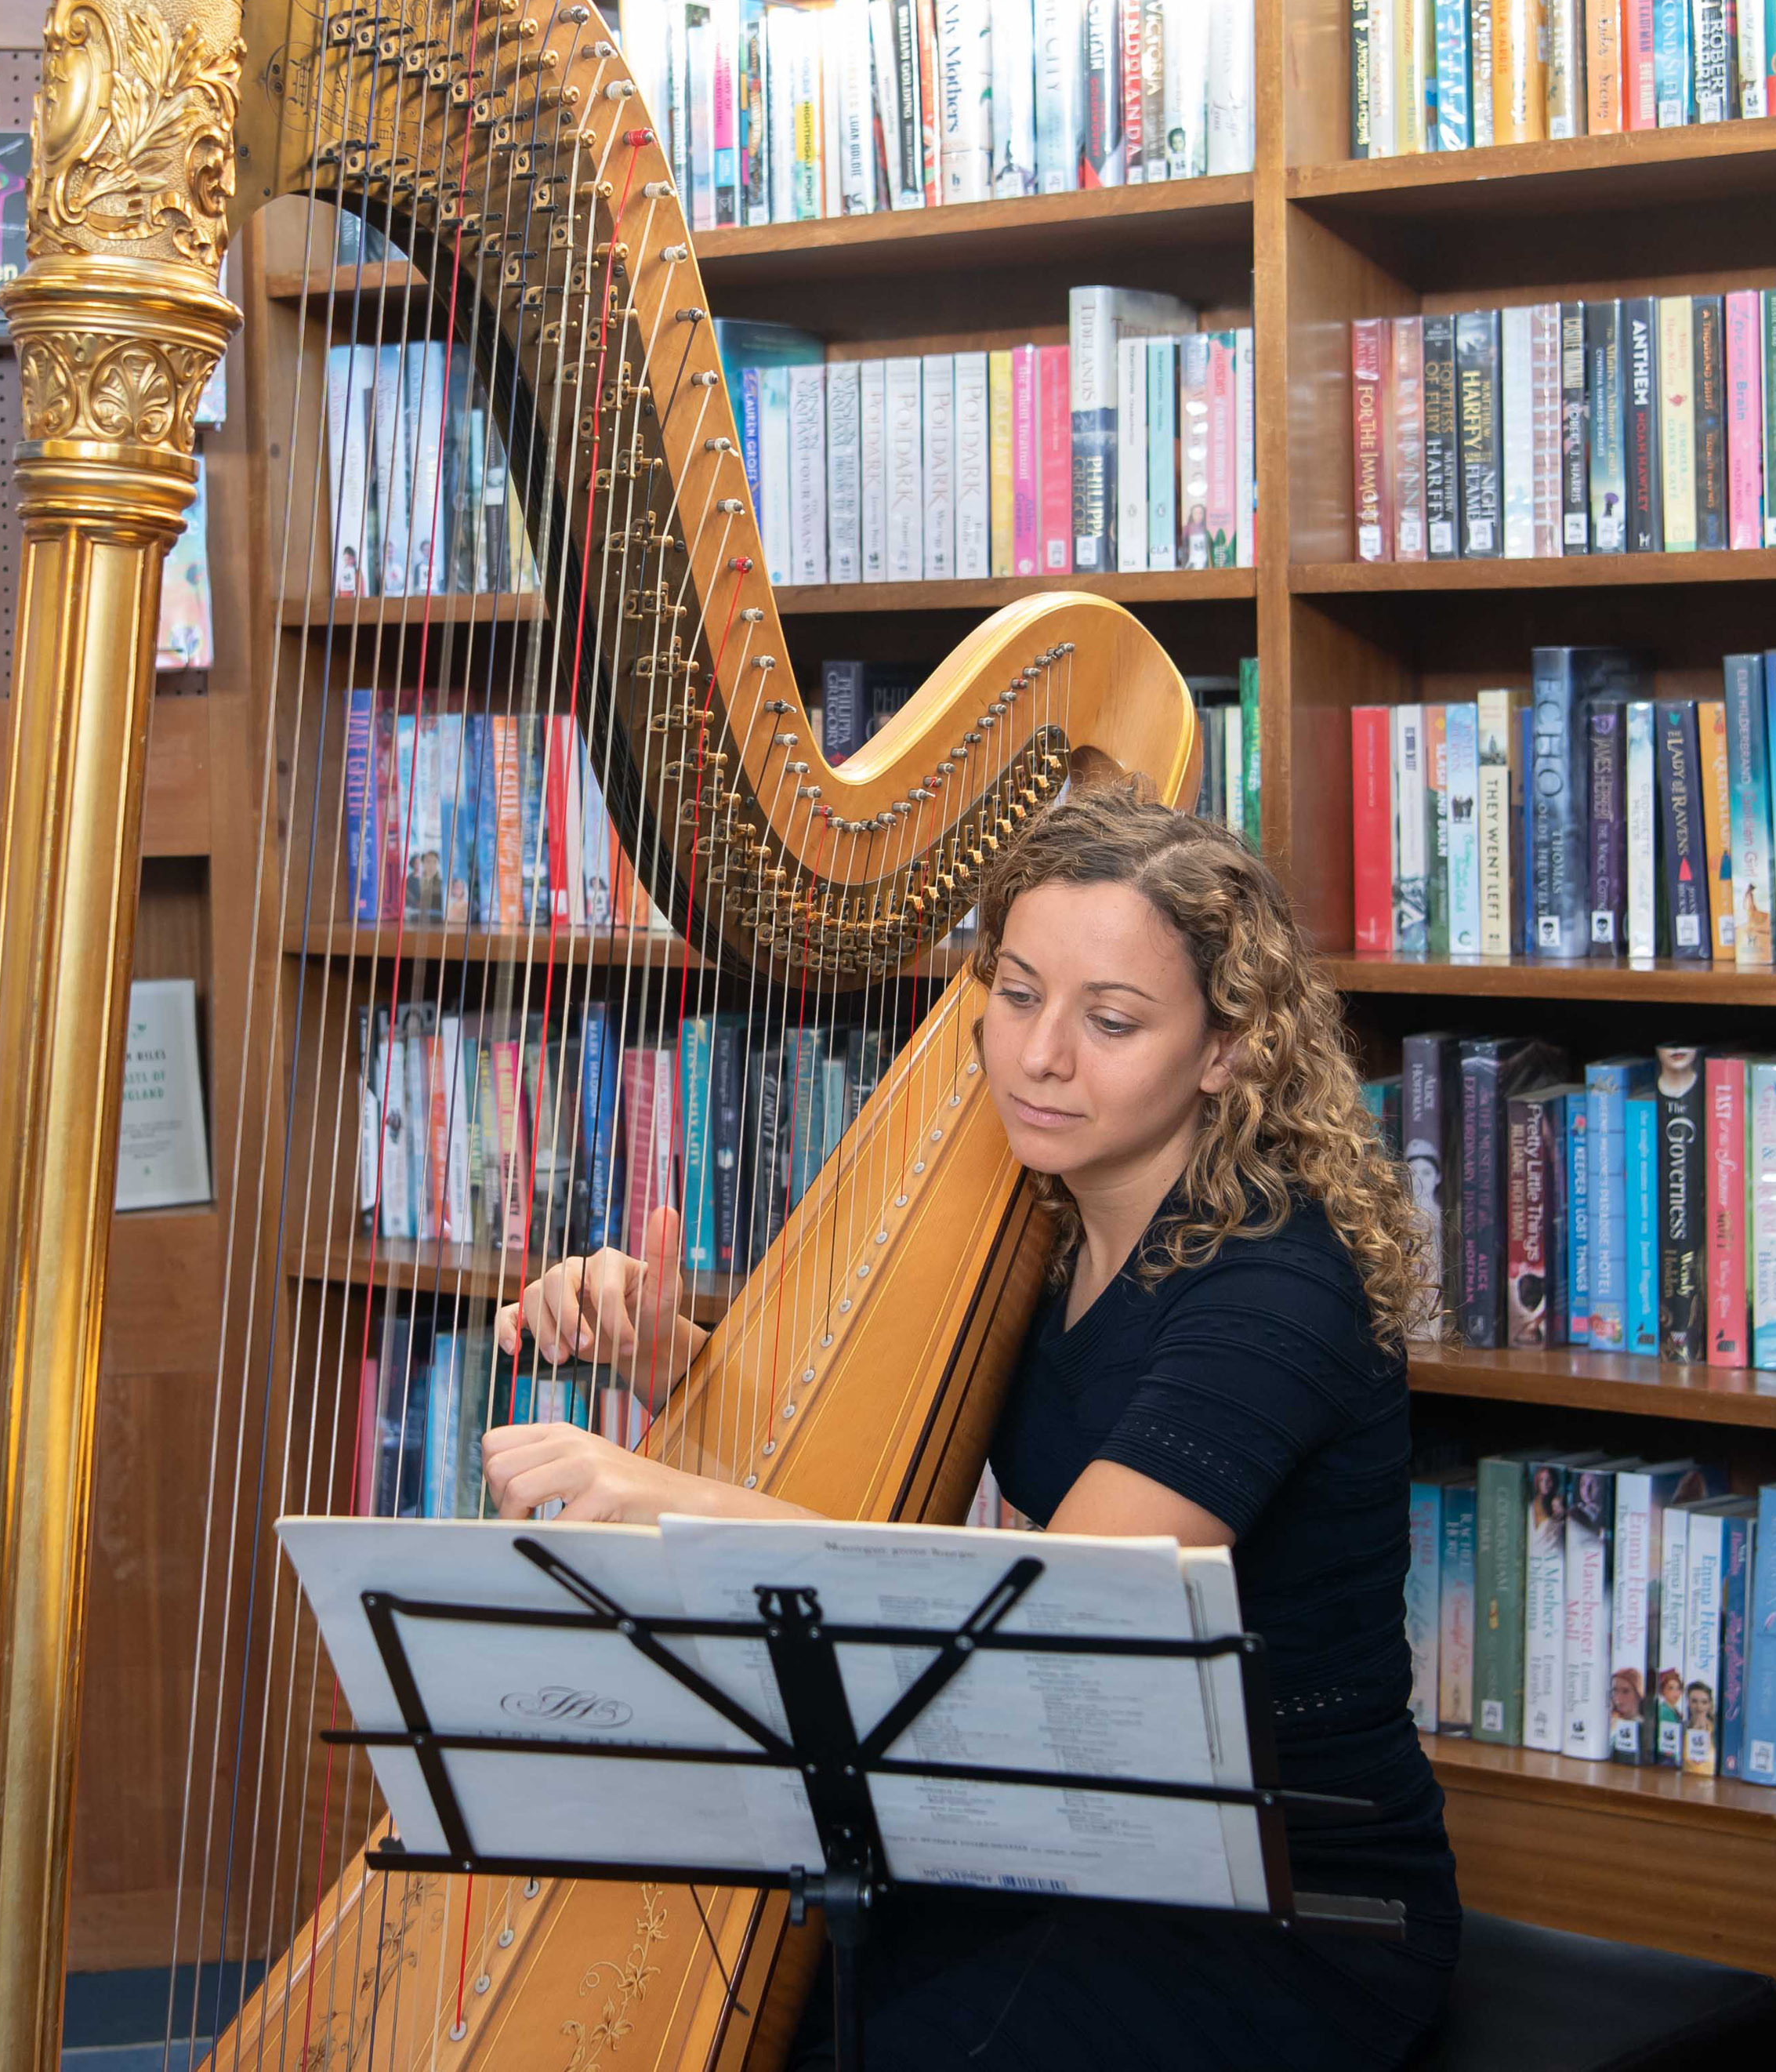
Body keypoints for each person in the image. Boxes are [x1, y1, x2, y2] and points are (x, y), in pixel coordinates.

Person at [483, 794, 1461, 2070]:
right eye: (1015, 994)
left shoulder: (1278, 1284)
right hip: (1057, 1827)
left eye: (1110, 1021)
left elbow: (1056, 1607)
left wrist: (662, 1493)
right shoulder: (1032, 1232)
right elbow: (843, 1462)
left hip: (1276, 1893)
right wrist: (661, 1349)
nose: (1041, 1055)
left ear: (1226, 1050)